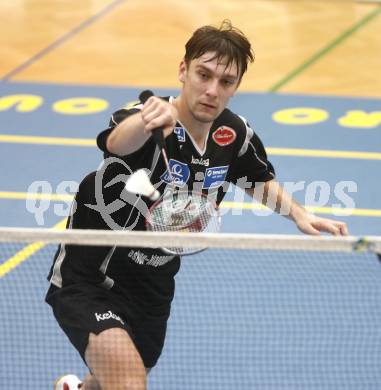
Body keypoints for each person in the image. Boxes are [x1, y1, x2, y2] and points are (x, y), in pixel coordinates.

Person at [48, 20, 348, 390]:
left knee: (115, 376)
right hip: (91, 276)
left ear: (236, 87)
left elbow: (254, 177)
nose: (211, 90)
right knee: (128, 381)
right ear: (182, 70)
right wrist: (145, 120)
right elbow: (116, 143)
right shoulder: (148, 116)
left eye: (226, 82)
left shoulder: (233, 135)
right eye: (203, 75)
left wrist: (300, 214)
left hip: (153, 284)